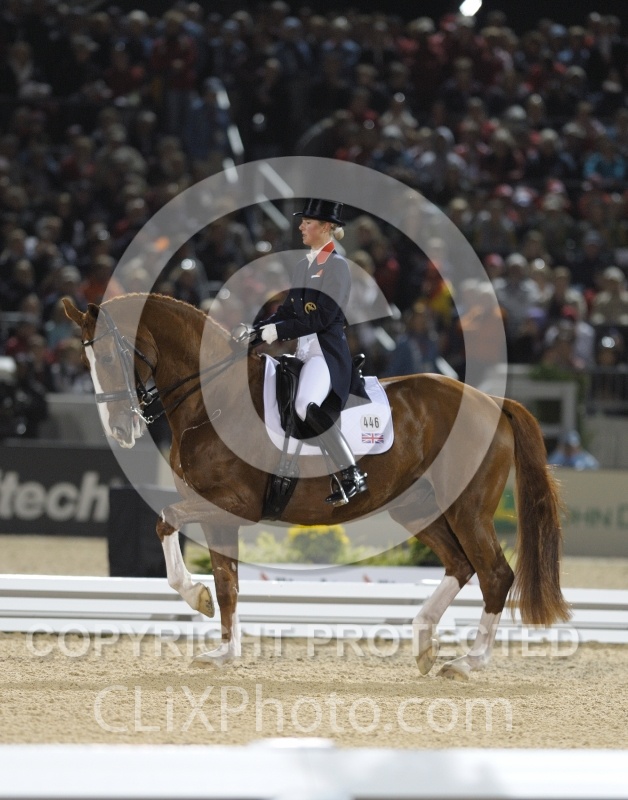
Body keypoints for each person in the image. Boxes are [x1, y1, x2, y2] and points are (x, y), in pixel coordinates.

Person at [253, 198, 369, 506]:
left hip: (325, 354)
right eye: (302, 222)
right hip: (303, 352)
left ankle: (351, 473)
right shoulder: (303, 265)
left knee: (305, 404)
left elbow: (321, 318)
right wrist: (255, 331)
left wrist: (277, 332)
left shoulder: (338, 267)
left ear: (327, 227)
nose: (301, 227)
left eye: (308, 222)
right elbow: (287, 310)